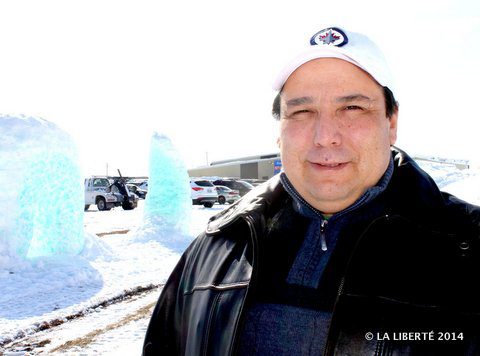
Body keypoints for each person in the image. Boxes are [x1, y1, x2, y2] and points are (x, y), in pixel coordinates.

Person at [143, 27, 480, 355]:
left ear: (391, 123)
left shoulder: (470, 249)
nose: (325, 136)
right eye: (302, 111)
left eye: (352, 108)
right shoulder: (217, 245)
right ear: (279, 131)